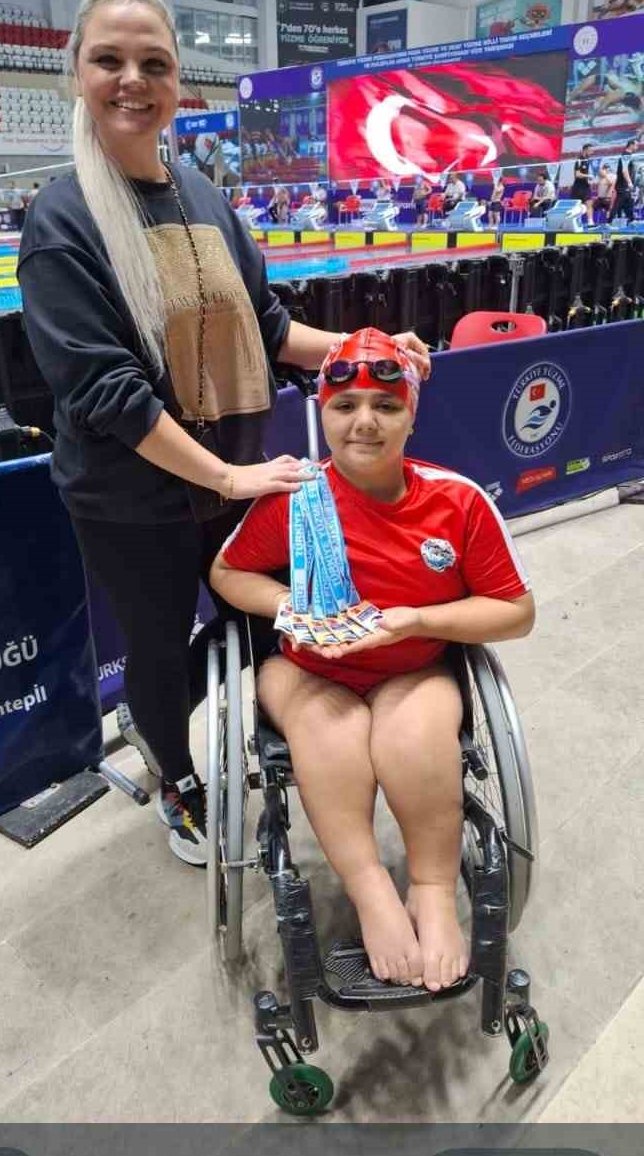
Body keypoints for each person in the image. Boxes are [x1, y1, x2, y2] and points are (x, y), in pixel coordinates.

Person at [17, 0, 430, 868]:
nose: (133, 80)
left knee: (271, 618)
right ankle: (175, 774)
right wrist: (229, 477)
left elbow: (268, 326)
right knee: (161, 650)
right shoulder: (62, 221)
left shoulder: (202, 194)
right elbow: (109, 393)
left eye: (154, 63)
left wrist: (363, 347)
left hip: (232, 476)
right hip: (134, 499)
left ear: (177, 82)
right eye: (109, 60)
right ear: (77, 73)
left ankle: (208, 720)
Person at [210, 328, 534, 991]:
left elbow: (515, 611)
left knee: (415, 734)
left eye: (386, 406)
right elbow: (226, 572)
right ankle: (373, 895)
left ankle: (432, 890)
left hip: (412, 664)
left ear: (412, 416)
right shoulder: (296, 498)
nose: (364, 421)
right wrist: (288, 607)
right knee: (331, 732)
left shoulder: (458, 501)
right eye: (345, 405)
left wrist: (419, 620)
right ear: (322, 414)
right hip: (308, 668)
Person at [611, 139, 639, 222]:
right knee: (618, 203)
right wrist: (629, 182)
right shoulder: (626, 155)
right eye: (636, 145)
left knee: (629, 202)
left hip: (625, 184)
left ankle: (631, 219)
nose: (637, 147)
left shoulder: (628, 155)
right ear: (631, 145)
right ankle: (610, 221)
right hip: (622, 184)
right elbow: (624, 170)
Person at [570, 145, 593, 223]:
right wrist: (588, 176)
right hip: (578, 187)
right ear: (585, 150)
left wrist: (588, 178)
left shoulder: (587, 160)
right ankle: (575, 222)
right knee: (576, 206)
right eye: (590, 150)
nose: (592, 152)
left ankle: (590, 222)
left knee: (589, 204)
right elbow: (577, 174)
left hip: (585, 186)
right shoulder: (579, 160)